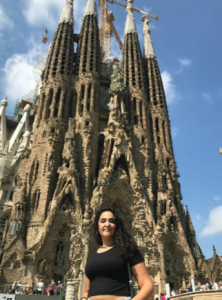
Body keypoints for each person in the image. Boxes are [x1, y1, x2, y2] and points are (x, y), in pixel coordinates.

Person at [82, 207, 153, 300]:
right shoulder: (91, 255)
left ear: (117, 225)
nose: (107, 224)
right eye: (103, 221)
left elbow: (147, 285)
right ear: (97, 226)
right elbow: (87, 290)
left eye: (111, 221)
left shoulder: (128, 249)